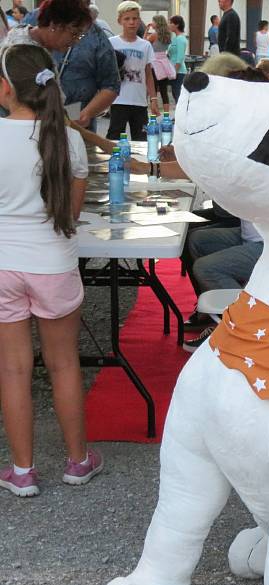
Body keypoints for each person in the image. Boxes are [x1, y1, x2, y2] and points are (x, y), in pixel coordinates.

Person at [0, 43, 102, 498]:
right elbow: (71, 214)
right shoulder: (69, 138)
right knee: (64, 364)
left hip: (4, 263)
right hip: (53, 263)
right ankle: (77, 460)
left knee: (13, 370)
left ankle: (22, 469)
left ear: (6, 88)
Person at [51, 4, 120, 129]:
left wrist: (86, 113)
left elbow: (111, 85)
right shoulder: (36, 22)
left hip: (77, 115)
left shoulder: (96, 35)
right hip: (35, 120)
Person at [107, 1, 157, 141]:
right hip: (118, 99)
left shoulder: (145, 45)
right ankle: (114, 162)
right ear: (120, 21)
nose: (131, 22)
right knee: (114, 137)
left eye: (134, 18)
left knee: (142, 139)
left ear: (139, 20)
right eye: (127, 19)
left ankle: (141, 163)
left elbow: (148, 74)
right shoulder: (112, 43)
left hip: (139, 101)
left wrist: (153, 99)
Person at [2, 0, 92, 51]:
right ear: (55, 25)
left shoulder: (37, 43)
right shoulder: (22, 52)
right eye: (75, 33)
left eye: (80, 36)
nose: (76, 40)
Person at [146, 14, 173, 114]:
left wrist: (146, 30)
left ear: (157, 23)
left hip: (155, 64)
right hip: (164, 63)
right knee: (163, 90)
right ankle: (166, 114)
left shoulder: (154, 35)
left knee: (153, 90)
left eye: (153, 21)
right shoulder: (168, 35)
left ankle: (154, 113)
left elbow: (144, 43)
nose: (152, 23)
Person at [167, 14, 186, 102]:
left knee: (178, 95)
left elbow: (180, 57)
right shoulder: (175, 38)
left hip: (178, 71)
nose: (169, 25)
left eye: (171, 23)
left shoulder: (181, 39)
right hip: (173, 70)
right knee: (175, 94)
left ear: (177, 24)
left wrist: (175, 71)